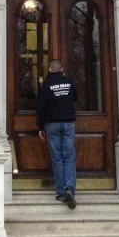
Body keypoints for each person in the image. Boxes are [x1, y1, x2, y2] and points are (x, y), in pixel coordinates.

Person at [36, 58, 78, 208]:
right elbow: (75, 97)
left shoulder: (46, 85)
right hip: (68, 123)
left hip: (52, 124)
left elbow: (41, 107)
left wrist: (40, 126)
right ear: (61, 69)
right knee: (69, 157)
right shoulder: (69, 82)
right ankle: (70, 188)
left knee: (57, 158)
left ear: (49, 70)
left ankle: (61, 192)